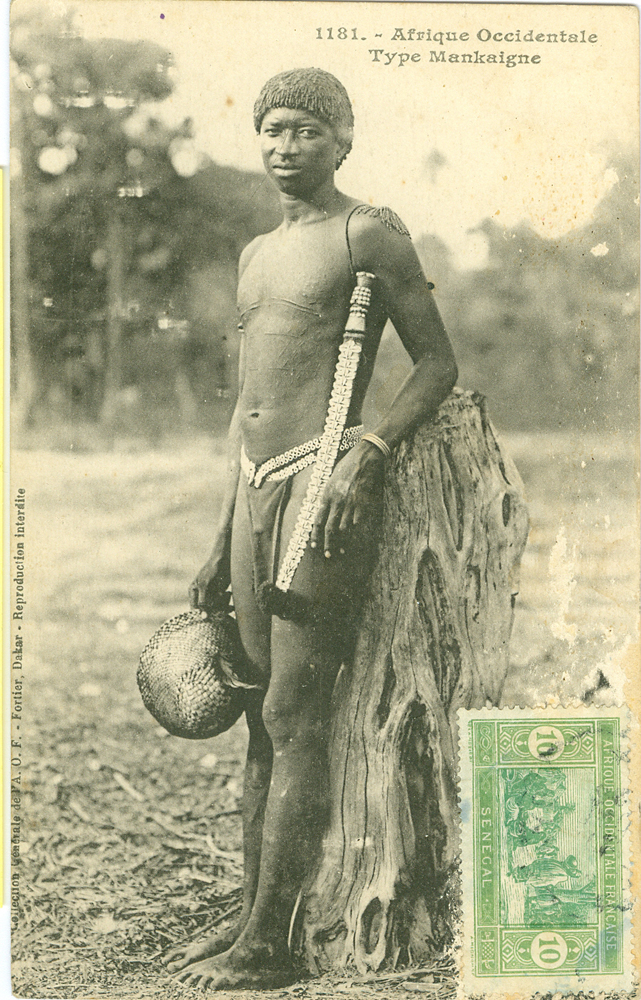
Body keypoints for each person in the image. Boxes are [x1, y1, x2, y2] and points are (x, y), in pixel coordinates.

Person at [164, 67, 457, 990]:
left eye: (304, 131)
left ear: (342, 141)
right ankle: (251, 919)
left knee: (294, 712)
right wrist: (220, 536)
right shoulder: (256, 253)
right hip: (252, 490)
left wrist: (365, 454)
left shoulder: (365, 230)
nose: (284, 146)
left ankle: (274, 946)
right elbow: (248, 403)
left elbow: (437, 365)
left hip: (320, 488)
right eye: (271, 129)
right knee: (257, 710)